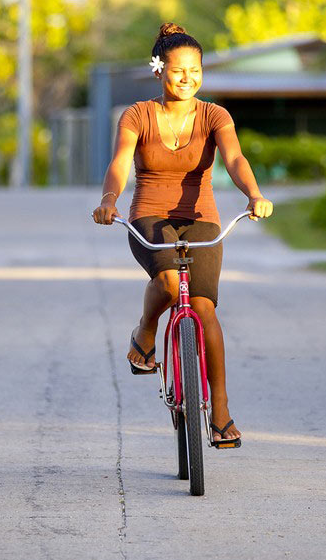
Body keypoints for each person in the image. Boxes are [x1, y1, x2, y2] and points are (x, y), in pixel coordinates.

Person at [92, 22, 273, 448]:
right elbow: (120, 162)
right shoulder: (137, 115)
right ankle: (146, 331)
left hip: (202, 217)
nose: (187, 78)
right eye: (178, 70)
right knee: (170, 283)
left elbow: (235, 157)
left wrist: (254, 194)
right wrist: (108, 199)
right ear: (159, 71)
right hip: (149, 215)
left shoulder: (215, 115)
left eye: (196, 70)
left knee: (206, 309)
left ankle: (222, 411)